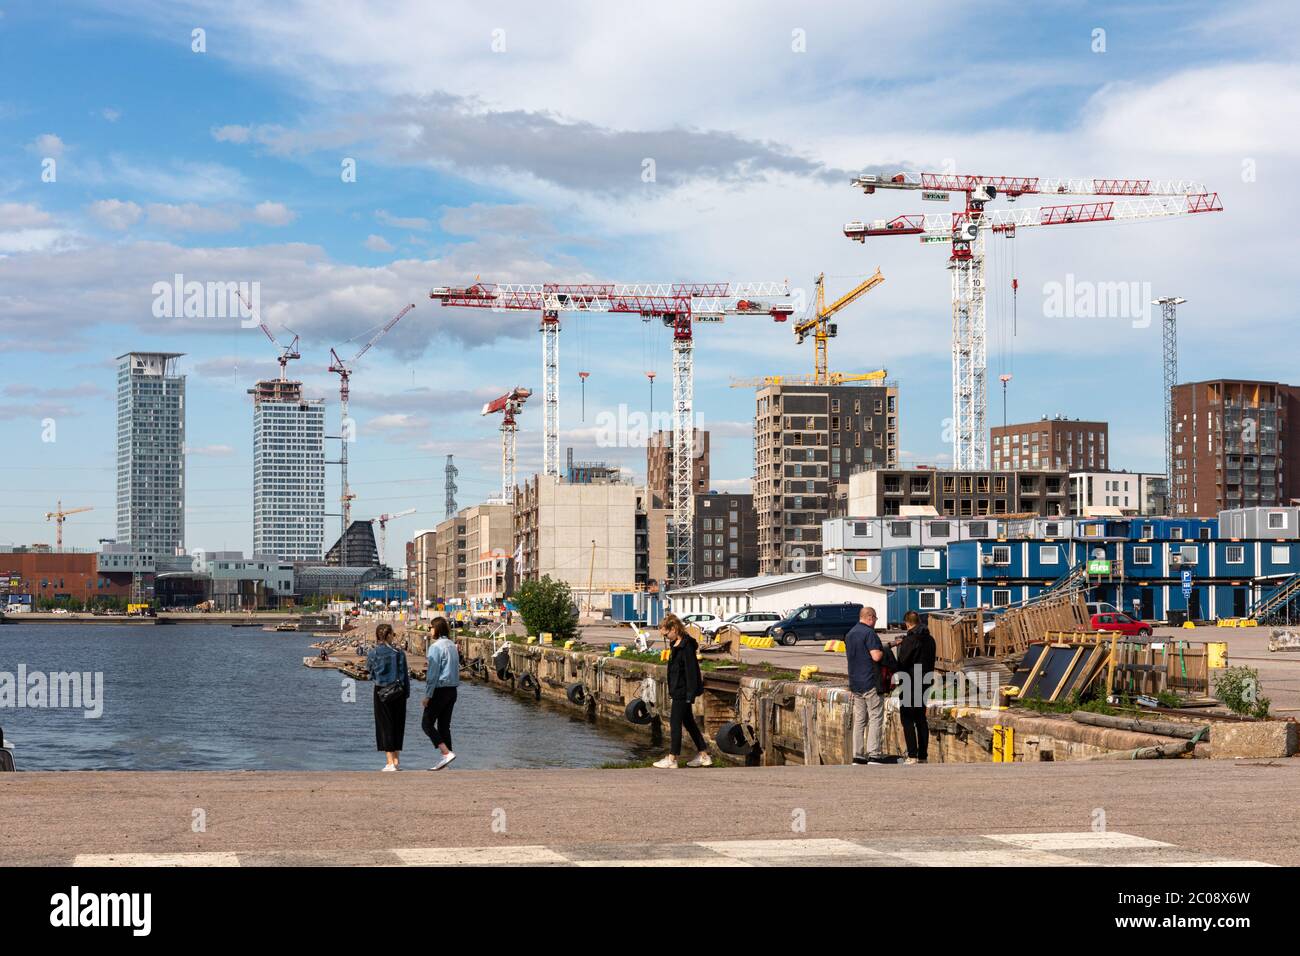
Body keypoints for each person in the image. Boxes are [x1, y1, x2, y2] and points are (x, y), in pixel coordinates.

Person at [653, 613, 712, 769]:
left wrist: (690, 694)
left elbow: (691, 671)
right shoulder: (676, 644)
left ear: (674, 628)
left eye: (666, 634)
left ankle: (672, 758)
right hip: (678, 690)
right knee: (689, 723)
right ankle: (704, 756)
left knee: (675, 723)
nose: (666, 638)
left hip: (683, 691)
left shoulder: (685, 647)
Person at [845, 606, 888, 765]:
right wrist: (885, 652)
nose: (875, 622)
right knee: (876, 716)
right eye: (875, 619)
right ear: (870, 617)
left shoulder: (850, 634)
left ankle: (858, 755)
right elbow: (876, 656)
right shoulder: (869, 633)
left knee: (860, 720)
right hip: (870, 682)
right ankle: (874, 754)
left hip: (855, 683)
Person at [365, 623, 409, 771]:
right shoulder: (399, 653)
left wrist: (378, 678)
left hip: (381, 691)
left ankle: (390, 762)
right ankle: (396, 761)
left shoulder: (373, 652)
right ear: (389, 635)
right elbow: (404, 675)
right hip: (399, 691)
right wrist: (406, 693)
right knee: (398, 725)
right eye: (393, 634)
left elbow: (370, 671)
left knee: (385, 726)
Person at [895, 610, 937, 764]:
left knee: (907, 719)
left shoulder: (910, 640)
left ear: (907, 623)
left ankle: (912, 755)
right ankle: (923, 756)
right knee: (921, 719)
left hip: (910, 682)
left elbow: (903, 661)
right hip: (925, 681)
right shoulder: (931, 639)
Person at [423, 617, 460, 770]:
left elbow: (433, 673)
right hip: (452, 690)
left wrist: (427, 695)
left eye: (431, 627)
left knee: (426, 724)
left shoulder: (435, 647)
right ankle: (447, 761)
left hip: (439, 689)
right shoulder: (452, 645)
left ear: (436, 629)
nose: (429, 630)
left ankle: (445, 753)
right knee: (444, 726)